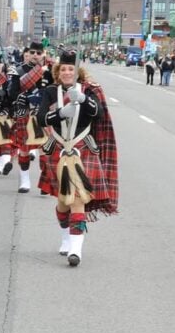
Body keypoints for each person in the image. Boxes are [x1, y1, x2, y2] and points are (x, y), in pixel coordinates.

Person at [37, 51, 118, 267]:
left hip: (82, 148)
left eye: (70, 69)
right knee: (64, 202)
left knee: (78, 199)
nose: (66, 72)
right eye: (63, 69)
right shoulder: (50, 91)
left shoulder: (89, 90)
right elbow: (40, 117)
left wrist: (82, 99)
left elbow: (99, 114)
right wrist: (61, 113)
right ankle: (66, 238)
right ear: (58, 71)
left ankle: (76, 250)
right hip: (58, 148)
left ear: (77, 71)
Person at [10, 41, 53, 194]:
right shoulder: (18, 70)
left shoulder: (50, 70)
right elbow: (12, 92)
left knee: (45, 150)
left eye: (39, 53)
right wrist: (22, 97)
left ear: (43, 54)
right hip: (25, 113)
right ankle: (25, 180)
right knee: (24, 150)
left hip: (43, 113)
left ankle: (45, 180)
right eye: (33, 52)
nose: (35, 55)